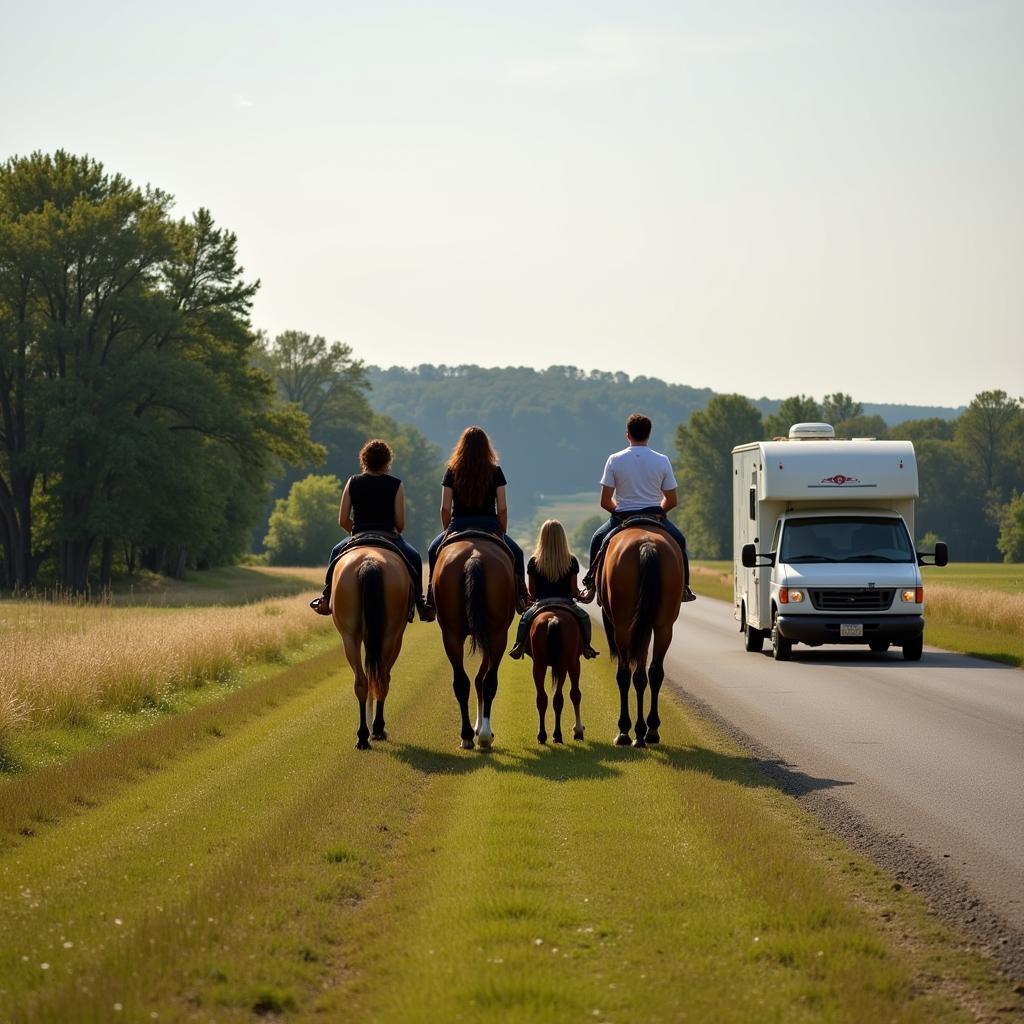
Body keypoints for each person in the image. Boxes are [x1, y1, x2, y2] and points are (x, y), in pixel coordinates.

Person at [310, 438, 433, 621]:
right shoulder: (396, 484)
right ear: (387, 461)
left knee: (336, 553)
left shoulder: (353, 482)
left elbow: (343, 520)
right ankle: (420, 604)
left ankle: (326, 598)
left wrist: (357, 532)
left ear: (364, 460)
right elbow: (400, 524)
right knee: (414, 557)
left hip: (359, 535)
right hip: (389, 536)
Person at [582, 412, 696, 602]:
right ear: (649, 434)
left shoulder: (614, 459)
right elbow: (672, 500)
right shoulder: (662, 460)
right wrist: (658, 511)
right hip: (655, 515)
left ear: (628, 435)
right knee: (680, 541)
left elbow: (605, 501)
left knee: (597, 539)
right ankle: (684, 587)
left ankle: (591, 586)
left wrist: (618, 510)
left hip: (622, 517)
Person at [425, 426, 527, 611]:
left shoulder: (451, 471)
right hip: (489, 525)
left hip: (458, 524)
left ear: (461, 447)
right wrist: (501, 529)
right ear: (486, 447)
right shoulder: (496, 472)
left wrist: (448, 530)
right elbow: (502, 508)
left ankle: (431, 597)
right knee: (517, 554)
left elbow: (445, 508)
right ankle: (522, 598)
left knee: (433, 550)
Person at [509, 519, 598, 660]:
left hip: (541, 604)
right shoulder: (571, 560)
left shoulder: (534, 561)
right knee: (584, 618)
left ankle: (519, 645)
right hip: (567, 603)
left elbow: (532, 593)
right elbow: (574, 591)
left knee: (525, 620)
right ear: (562, 537)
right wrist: (582, 595)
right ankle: (587, 646)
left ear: (542, 537)